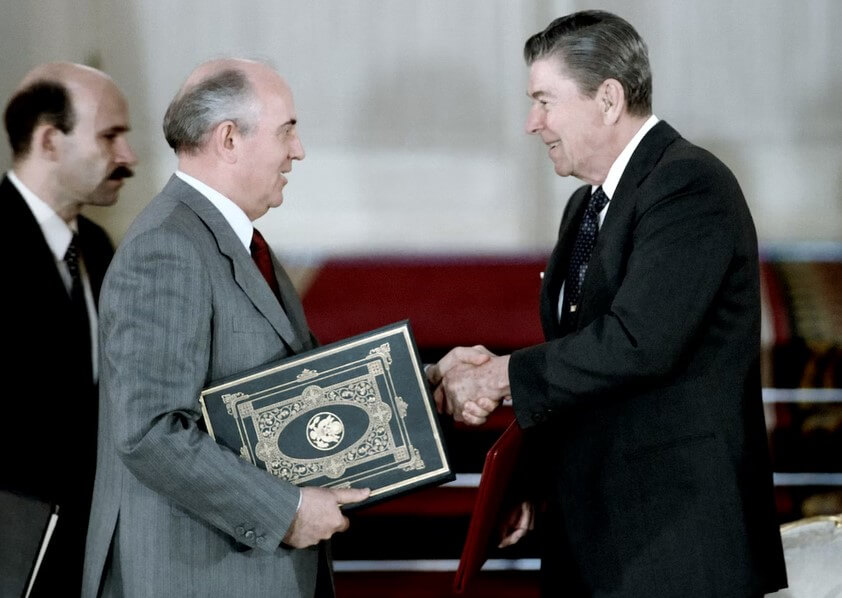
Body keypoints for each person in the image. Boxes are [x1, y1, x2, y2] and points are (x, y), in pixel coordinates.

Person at [431, 11, 788, 597]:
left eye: (545, 101)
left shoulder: (688, 185)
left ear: (608, 98)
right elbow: (581, 362)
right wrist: (533, 478)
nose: (531, 124)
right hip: (595, 538)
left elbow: (639, 343)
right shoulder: (587, 207)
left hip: (676, 545)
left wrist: (501, 375)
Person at [82, 58, 369, 598]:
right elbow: (149, 430)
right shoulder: (166, 247)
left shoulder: (232, 238)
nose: (298, 151)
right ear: (229, 139)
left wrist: (427, 383)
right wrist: (285, 511)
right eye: (287, 130)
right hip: (187, 575)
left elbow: (301, 381)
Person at [1, 62, 137, 596]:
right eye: (110, 136)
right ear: (50, 141)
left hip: (85, 549)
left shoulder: (99, 248)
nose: (129, 156)